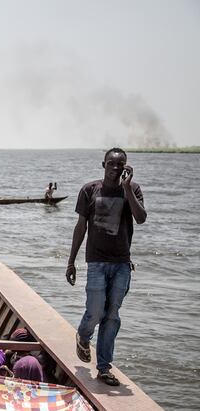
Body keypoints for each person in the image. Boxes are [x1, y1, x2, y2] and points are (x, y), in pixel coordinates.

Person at [66, 147, 146, 387]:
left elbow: (140, 218)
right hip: (96, 263)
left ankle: (103, 367)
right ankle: (83, 335)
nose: (115, 168)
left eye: (120, 164)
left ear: (126, 167)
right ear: (103, 165)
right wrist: (71, 262)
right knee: (96, 311)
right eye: (111, 163)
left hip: (121, 263)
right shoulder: (89, 190)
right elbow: (81, 228)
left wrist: (128, 188)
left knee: (112, 316)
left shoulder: (133, 190)